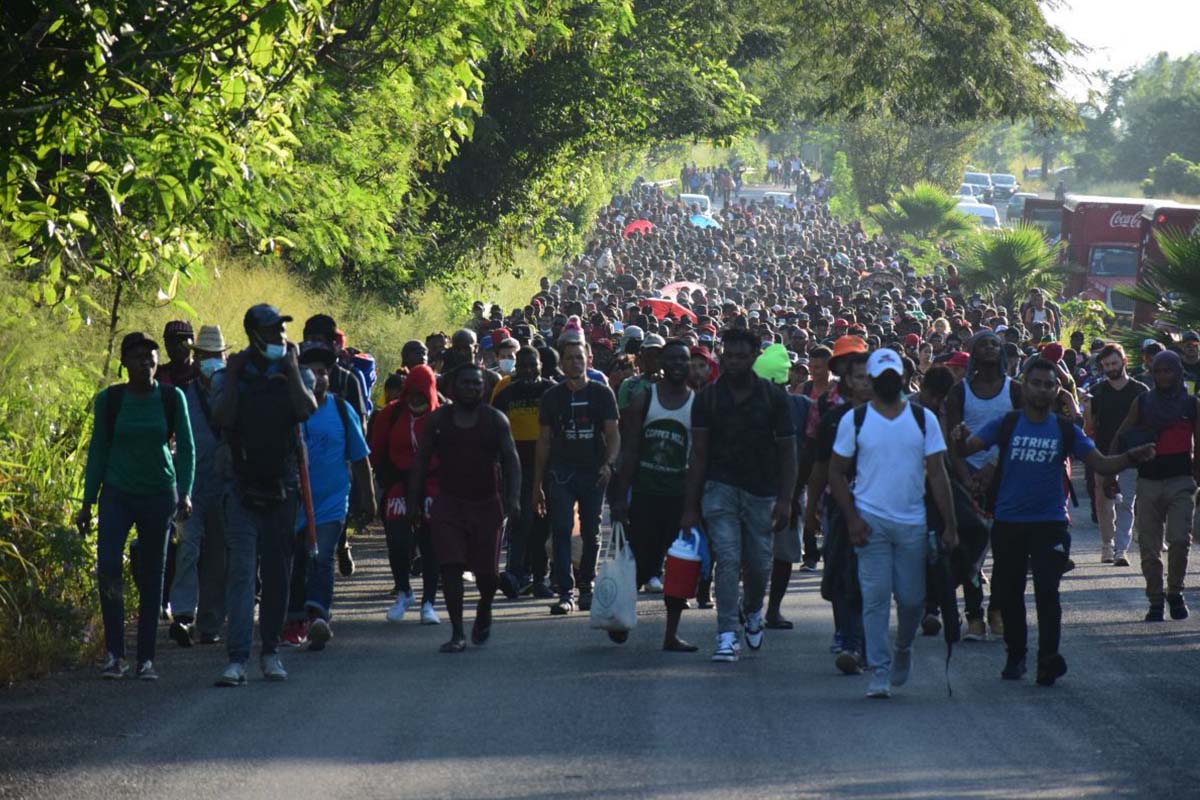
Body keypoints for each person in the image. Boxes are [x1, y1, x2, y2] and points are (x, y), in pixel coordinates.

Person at [956, 358, 1156, 685]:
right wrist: (958, 437)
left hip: (1050, 523)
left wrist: (1132, 457)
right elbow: (967, 448)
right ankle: (1016, 656)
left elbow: (1102, 464)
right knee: (1010, 592)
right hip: (1009, 522)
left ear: (1056, 390)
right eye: (1036, 383)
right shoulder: (1006, 424)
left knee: (1048, 591)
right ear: (1025, 385)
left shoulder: (1065, 430)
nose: (1042, 389)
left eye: (1049, 385)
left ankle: (1048, 658)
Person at [828, 348, 958, 699]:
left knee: (913, 600)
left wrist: (950, 524)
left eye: (893, 377)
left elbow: (937, 473)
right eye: (880, 377)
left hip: (913, 523)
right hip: (870, 523)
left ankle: (902, 648)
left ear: (903, 379)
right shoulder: (854, 420)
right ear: (870, 381)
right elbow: (836, 473)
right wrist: (853, 518)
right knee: (875, 598)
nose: (887, 382)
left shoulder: (922, 419)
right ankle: (879, 671)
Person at [77, 332, 195, 680]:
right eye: (139, 357)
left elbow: (187, 449)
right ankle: (115, 655)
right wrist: (87, 503)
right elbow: (98, 451)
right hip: (117, 493)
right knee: (109, 567)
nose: (146, 362)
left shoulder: (172, 398)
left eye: (151, 356)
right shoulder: (110, 400)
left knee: (152, 575)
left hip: (159, 493)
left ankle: (146, 659)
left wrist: (185, 492)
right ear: (124, 364)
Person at [211, 304, 318, 686]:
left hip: (283, 488)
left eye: (282, 330)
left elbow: (306, 409)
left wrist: (290, 372)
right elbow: (221, 419)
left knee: (277, 575)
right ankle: (237, 658)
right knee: (242, 575)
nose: (280, 337)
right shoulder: (229, 376)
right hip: (240, 488)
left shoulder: (296, 371)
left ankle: (270, 652)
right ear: (254, 334)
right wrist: (236, 372)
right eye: (272, 331)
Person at [680, 328, 797, 663]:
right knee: (728, 559)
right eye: (728, 355)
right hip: (720, 488)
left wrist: (786, 499)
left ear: (754, 357)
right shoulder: (708, 399)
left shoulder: (774, 398)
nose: (733, 362)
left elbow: (788, 451)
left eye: (740, 356)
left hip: (762, 492)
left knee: (760, 565)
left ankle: (752, 610)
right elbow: (698, 455)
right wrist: (690, 506)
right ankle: (727, 634)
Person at [409, 365, 521, 652]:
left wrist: (513, 499)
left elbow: (512, 461)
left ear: (483, 388)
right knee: (450, 566)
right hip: (448, 503)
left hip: (486, 503)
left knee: (487, 575)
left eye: (476, 383)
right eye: (465, 383)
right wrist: (414, 501)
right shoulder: (438, 420)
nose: (471, 388)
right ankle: (457, 632)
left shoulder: (496, 420)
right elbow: (421, 462)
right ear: (453, 387)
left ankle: (485, 607)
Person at [282, 343, 375, 650]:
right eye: (309, 372)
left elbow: (360, 458)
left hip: (332, 501)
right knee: (295, 560)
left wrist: (369, 499)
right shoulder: (289, 410)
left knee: (322, 557)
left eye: (322, 373)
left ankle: (318, 615)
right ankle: (294, 620)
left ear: (329, 376)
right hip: (291, 501)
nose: (317, 378)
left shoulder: (340, 409)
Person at [612, 340, 696, 650]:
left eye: (683, 360)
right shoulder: (644, 399)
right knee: (643, 561)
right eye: (672, 359)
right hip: (646, 494)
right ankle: (622, 613)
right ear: (662, 363)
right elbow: (630, 450)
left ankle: (671, 634)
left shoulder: (695, 404)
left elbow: (698, 457)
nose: (677, 365)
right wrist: (620, 496)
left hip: (678, 497)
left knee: (678, 565)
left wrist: (693, 503)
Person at [944, 331, 1021, 640]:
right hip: (967, 478)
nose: (990, 347)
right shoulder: (959, 392)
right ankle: (974, 613)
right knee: (969, 551)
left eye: (995, 344)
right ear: (973, 353)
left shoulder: (1014, 390)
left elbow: (1017, 434)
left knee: (1005, 550)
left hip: (1005, 475)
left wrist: (993, 467)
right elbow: (953, 440)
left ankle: (997, 609)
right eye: (983, 344)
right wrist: (966, 478)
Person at [534, 339, 621, 615]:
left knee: (591, 532)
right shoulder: (552, 397)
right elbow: (544, 441)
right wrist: (537, 484)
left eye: (579, 358)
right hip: (561, 473)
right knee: (560, 531)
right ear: (561, 363)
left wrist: (609, 464)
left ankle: (587, 586)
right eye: (569, 358)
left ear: (588, 360)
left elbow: (613, 434)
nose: (575, 362)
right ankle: (565, 592)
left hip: (593, 473)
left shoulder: (602, 394)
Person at [1113, 350, 1200, 622]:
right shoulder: (1143, 402)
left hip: (1181, 482)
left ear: (1178, 373)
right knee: (1149, 547)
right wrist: (1109, 474)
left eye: (1169, 371)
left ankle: (1175, 591)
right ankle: (1155, 600)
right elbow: (1122, 435)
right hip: (1148, 482)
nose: (1163, 376)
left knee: (1178, 540)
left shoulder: (1190, 405)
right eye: (1159, 371)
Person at [167, 325, 228, 648]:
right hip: (189, 484)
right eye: (204, 355)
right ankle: (183, 616)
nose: (209, 361)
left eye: (214, 355)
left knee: (218, 554)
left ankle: (211, 621)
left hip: (224, 485)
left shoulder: (232, 392)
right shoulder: (183, 394)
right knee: (188, 549)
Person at [372, 364, 442, 623]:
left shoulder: (442, 416)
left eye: (422, 392)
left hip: (433, 485)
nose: (416, 397)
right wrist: (386, 483)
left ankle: (428, 604)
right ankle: (404, 591)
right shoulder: (390, 415)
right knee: (398, 540)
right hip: (398, 483)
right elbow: (377, 451)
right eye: (411, 391)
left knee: (431, 543)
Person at [303, 314, 368, 578]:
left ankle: (340, 543)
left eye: (318, 340)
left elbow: (360, 420)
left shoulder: (348, 379)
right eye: (309, 340)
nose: (312, 345)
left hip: (338, 457)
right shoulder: (295, 378)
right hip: (304, 462)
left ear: (333, 344)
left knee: (336, 509)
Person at [493, 348, 558, 599]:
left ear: (541, 365)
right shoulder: (505, 395)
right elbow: (496, 432)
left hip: (549, 468)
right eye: (524, 366)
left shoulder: (552, 392)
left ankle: (540, 578)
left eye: (533, 365)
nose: (529, 370)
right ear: (516, 368)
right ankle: (516, 575)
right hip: (516, 470)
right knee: (519, 523)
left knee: (543, 525)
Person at [1084, 344, 1146, 566]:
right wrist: (1085, 408)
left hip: (1131, 456)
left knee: (1126, 503)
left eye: (1114, 363)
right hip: (1103, 456)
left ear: (1124, 362)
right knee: (1103, 502)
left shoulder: (1140, 391)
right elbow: (1089, 428)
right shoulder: (1097, 392)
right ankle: (1107, 546)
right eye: (1106, 365)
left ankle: (1121, 550)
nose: (1111, 368)